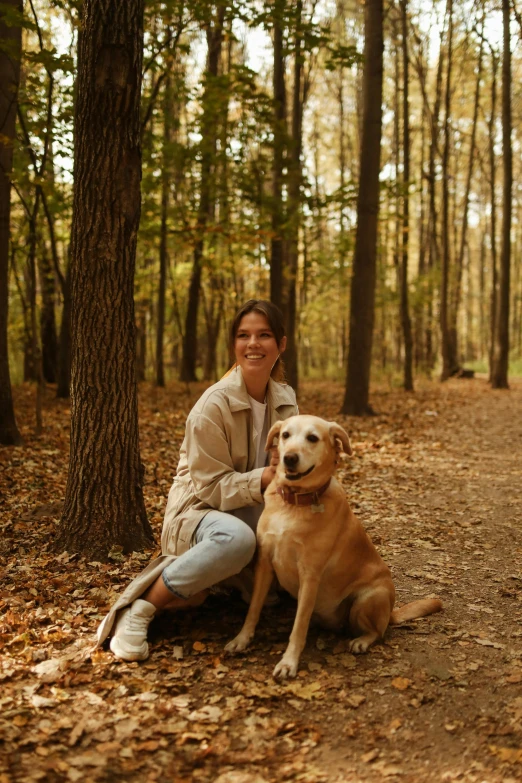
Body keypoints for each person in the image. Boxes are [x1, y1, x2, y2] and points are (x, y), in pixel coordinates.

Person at [97, 299, 298, 661]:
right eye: (244, 335)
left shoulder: (285, 399)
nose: (253, 343)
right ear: (234, 345)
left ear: (281, 344)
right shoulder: (212, 405)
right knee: (235, 539)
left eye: (264, 335)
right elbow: (211, 487)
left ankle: (226, 582)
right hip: (198, 514)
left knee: (286, 573)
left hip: (253, 511)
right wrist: (267, 478)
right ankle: (140, 608)